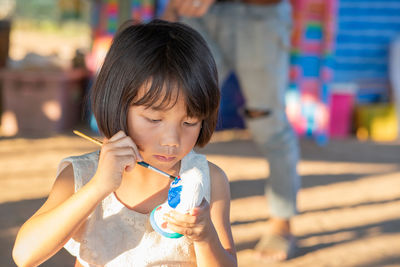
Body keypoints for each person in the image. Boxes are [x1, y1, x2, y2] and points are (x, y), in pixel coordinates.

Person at [12, 20, 237, 267]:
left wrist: (205, 237)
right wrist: (98, 187)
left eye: (190, 122)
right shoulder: (82, 176)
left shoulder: (209, 180)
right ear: (118, 103)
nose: (172, 140)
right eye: (154, 119)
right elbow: (25, 255)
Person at [162, 0, 300, 261]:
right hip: (196, 14)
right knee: (179, 108)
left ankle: (282, 221)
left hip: (260, 11)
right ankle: (168, 211)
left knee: (267, 121)